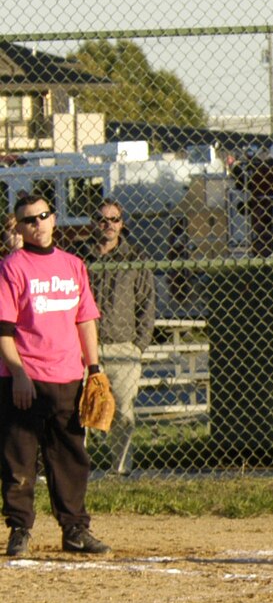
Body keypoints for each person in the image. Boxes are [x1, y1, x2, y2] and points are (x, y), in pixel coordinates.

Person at [1, 194, 110, 555]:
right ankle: (19, 529)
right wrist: (17, 374)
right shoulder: (12, 267)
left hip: (68, 376)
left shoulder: (73, 265)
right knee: (19, 458)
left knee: (69, 457)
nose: (38, 224)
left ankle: (75, 529)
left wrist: (93, 369)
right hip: (26, 379)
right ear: (19, 227)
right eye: (28, 220)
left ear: (53, 218)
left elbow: (85, 319)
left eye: (43, 216)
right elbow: (3, 330)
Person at [80, 199, 157, 476]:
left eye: (114, 219)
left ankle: (121, 468)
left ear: (122, 223)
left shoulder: (134, 258)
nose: (108, 225)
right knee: (80, 409)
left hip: (123, 346)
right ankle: (78, 468)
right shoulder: (80, 257)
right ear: (93, 223)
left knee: (123, 411)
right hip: (84, 347)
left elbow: (147, 304)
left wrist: (139, 344)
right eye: (103, 219)